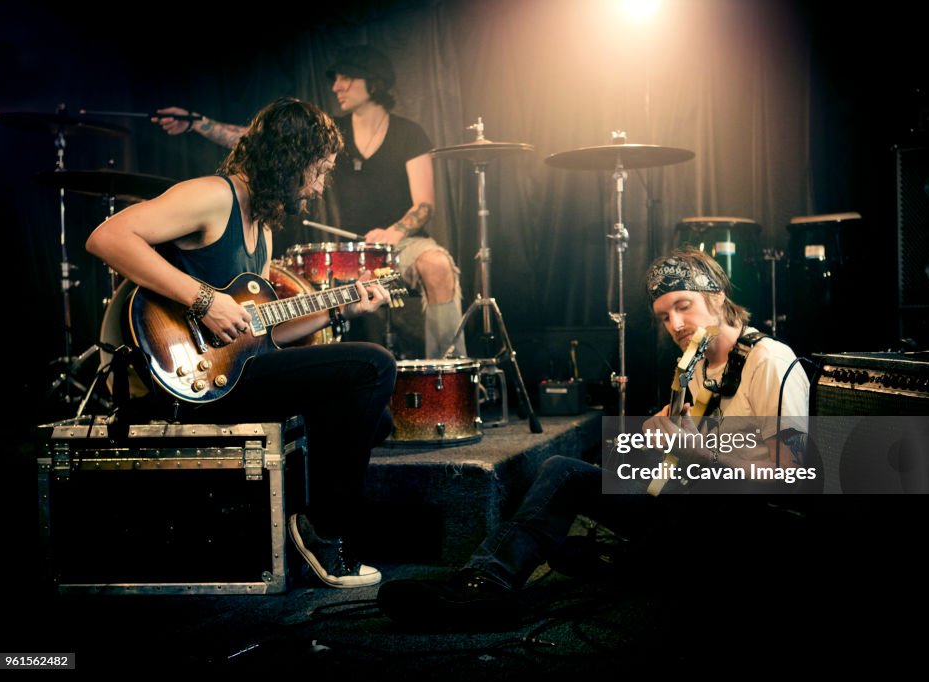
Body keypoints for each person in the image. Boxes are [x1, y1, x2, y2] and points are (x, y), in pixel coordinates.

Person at [375, 245, 811, 626]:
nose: (675, 324)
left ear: (717, 298)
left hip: (736, 519)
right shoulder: (694, 364)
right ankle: (486, 582)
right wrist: (658, 437)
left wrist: (695, 449)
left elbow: (790, 474)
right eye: (664, 316)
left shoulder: (769, 359)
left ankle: (629, 563)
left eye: (684, 306)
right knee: (562, 471)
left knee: (610, 550)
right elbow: (679, 451)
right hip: (679, 503)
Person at [87, 97, 397, 589]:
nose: (318, 187)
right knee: (375, 366)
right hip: (189, 376)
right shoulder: (213, 195)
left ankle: (297, 517)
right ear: (290, 160)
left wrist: (341, 307)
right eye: (317, 172)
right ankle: (324, 533)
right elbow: (108, 238)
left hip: (237, 370)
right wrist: (203, 299)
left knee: (375, 417)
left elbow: (261, 331)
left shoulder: (263, 228)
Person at [155, 45, 467, 359]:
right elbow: (264, 137)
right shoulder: (329, 131)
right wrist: (199, 122)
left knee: (437, 265)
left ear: (374, 82)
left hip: (396, 248)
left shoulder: (408, 133)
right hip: (345, 251)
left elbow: (425, 205)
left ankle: (449, 371)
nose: (336, 86)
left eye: (347, 78)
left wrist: (393, 234)